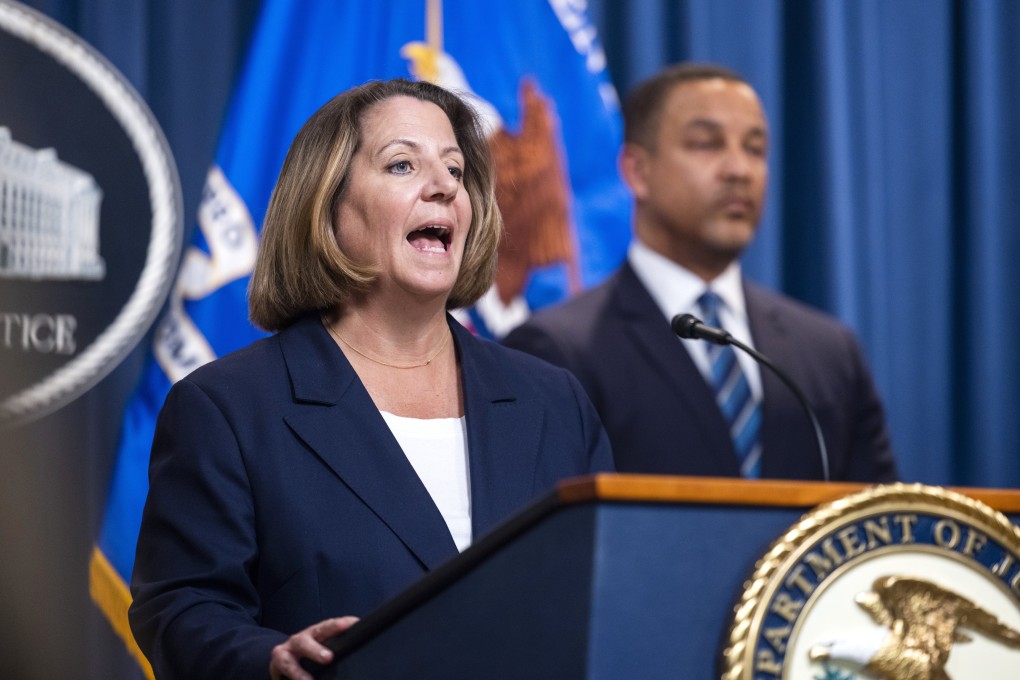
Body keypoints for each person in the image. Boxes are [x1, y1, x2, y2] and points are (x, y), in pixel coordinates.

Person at [128, 78, 613, 680]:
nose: (443, 187)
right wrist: (267, 660)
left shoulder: (554, 402)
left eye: (455, 171)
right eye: (402, 164)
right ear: (325, 204)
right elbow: (182, 607)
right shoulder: (227, 408)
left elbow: (611, 597)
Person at [504, 63, 897, 483]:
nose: (739, 169)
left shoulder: (830, 353)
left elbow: (878, 517)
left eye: (755, 149)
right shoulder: (556, 351)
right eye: (707, 144)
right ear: (637, 171)